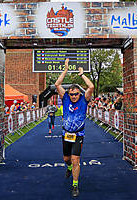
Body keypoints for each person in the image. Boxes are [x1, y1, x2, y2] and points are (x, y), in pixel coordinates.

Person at [55, 58, 94, 197]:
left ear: (79, 93)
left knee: (75, 159)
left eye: (76, 94)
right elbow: (57, 84)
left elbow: (91, 87)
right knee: (66, 159)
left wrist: (82, 74)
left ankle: (75, 185)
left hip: (78, 134)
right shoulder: (65, 98)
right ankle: (69, 168)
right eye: (71, 94)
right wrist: (65, 69)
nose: (73, 96)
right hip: (66, 134)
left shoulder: (84, 99)